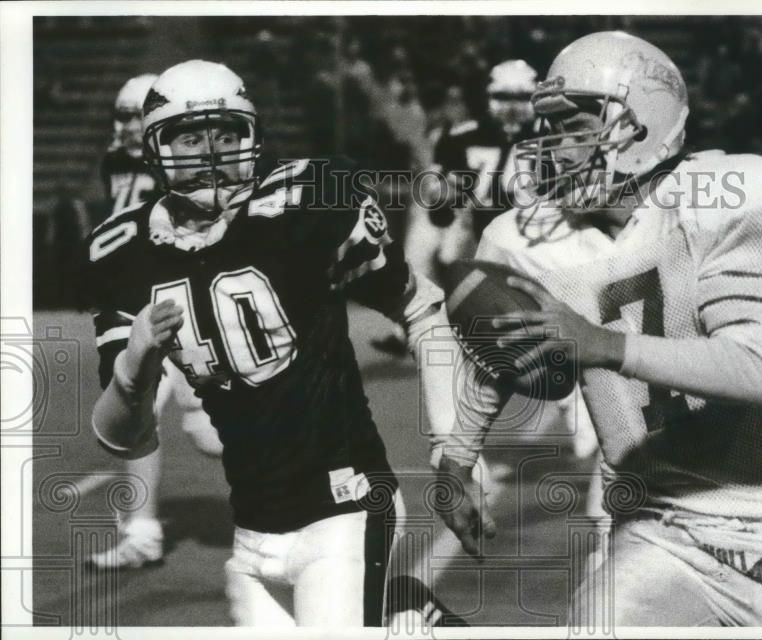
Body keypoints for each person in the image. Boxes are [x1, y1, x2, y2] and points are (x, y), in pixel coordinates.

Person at [429, 32, 762, 627]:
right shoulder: (521, 237)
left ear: (642, 119)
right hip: (654, 527)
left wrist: (606, 346)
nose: (555, 149)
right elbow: (508, 349)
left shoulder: (738, 190)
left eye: (575, 126)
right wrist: (457, 459)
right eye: (549, 130)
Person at [86, 60, 461, 627]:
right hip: (254, 531)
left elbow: (421, 306)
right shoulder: (125, 252)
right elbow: (120, 437)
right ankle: (404, 616)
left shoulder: (302, 205)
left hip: (347, 505)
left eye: (227, 134)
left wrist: (452, 446)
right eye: (190, 138)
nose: (211, 153)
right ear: (156, 148)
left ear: (253, 138)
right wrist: (134, 361)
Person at [86, 73, 224, 571]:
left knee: (210, 434)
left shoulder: (188, 166)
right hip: (136, 307)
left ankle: (308, 482)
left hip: (185, 305)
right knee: (137, 402)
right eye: (119, 115)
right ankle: (142, 531)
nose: (121, 125)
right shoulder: (116, 160)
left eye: (131, 116)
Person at [375, 62, 541, 357]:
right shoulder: (462, 136)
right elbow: (438, 201)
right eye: (503, 97)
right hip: (478, 231)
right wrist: (442, 193)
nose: (512, 107)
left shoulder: (550, 137)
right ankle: (416, 329)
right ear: (489, 96)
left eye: (520, 97)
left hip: (536, 236)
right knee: (441, 258)